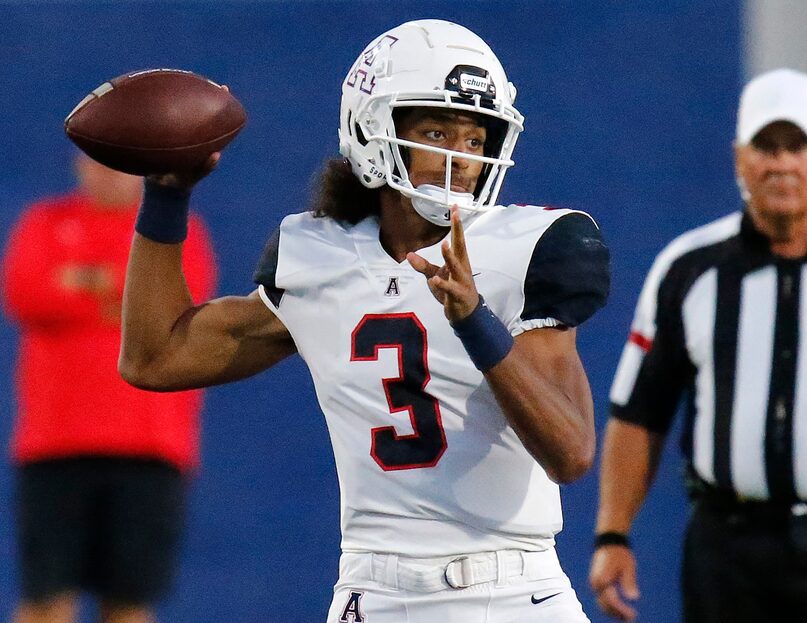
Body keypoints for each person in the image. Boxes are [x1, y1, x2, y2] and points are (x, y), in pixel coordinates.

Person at [119, 19, 609, 622]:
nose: (461, 158)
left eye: (476, 139)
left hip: (511, 586)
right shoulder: (317, 257)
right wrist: (167, 197)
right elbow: (154, 358)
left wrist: (474, 320)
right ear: (373, 131)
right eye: (436, 131)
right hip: (374, 593)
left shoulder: (529, 247)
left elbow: (571, 453)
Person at [589, 67, 807, 623]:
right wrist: (612, 533)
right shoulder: (690, 268)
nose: (781, 163)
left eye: (797, 146)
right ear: (739, 156)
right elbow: (640, 409)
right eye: (765, 146)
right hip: (729, 552)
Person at [1, 153, 217, 623]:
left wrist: (81, 283)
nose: (108, 173)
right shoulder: (44, 223)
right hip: (54, 444)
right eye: (99, 162)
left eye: (120, 164)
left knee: (129, 604)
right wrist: (120, 291)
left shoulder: (177, 232)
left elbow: (176, 306)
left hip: (150, 446)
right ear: (79, 164)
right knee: (45, 599)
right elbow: (27, 292)